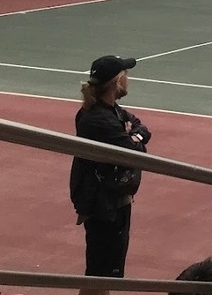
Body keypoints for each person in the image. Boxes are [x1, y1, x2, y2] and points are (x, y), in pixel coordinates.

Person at [69, 55, 150, 294]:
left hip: (111, 202)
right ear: (117, 81)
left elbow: (141, 127)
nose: (128, 78)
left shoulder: (109, 110)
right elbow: (134, 151)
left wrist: (133, 134)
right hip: (104, 206)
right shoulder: (100, 119)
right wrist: (134, 139)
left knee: (102, 274)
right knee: (99, 275)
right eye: (125, 74)